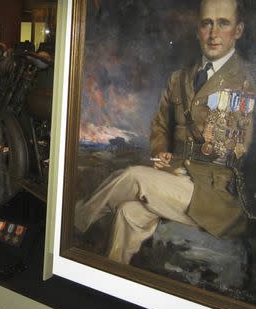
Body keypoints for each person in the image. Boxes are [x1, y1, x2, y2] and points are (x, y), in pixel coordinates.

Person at [74, 0, 255, 265]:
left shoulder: (248, 81)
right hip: (177, 179)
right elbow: (160, 125)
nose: (213, 33)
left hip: (218, 199)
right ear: (197, 30)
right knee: (128, 213)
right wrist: (162, 152)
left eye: (223, 23)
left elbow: (239, 151)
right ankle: (115, 278)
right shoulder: (179, 79)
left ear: (238, 30)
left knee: (135, 176)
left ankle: (75, 219)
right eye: (206, 24)